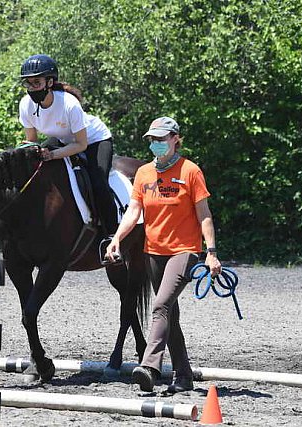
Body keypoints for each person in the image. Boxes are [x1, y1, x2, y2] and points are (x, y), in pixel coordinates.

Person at [105, 116, 222, 393]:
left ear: (175, 139)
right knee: (170, 314)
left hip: (184, 251)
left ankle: (149, 366)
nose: (156, 144)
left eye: (161, 139)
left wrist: (211, 252)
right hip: (153, 252)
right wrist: (117, 239)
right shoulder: (144, 174)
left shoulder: (191, 171)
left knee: (159, 306)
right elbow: (133, 212)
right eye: (152, 140)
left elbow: (204, 215)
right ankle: (183, 375)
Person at [18, 54, 119, 241]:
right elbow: (31, 141)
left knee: (98, 183)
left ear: (49, 82)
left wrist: (53, 155)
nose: (32, 88)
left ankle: (111, 235)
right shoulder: (25, 105)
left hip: (94, 140)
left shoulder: (69, 104)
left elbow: (81, 144)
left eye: (37, 82)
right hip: (61, 138)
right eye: (28, 83)